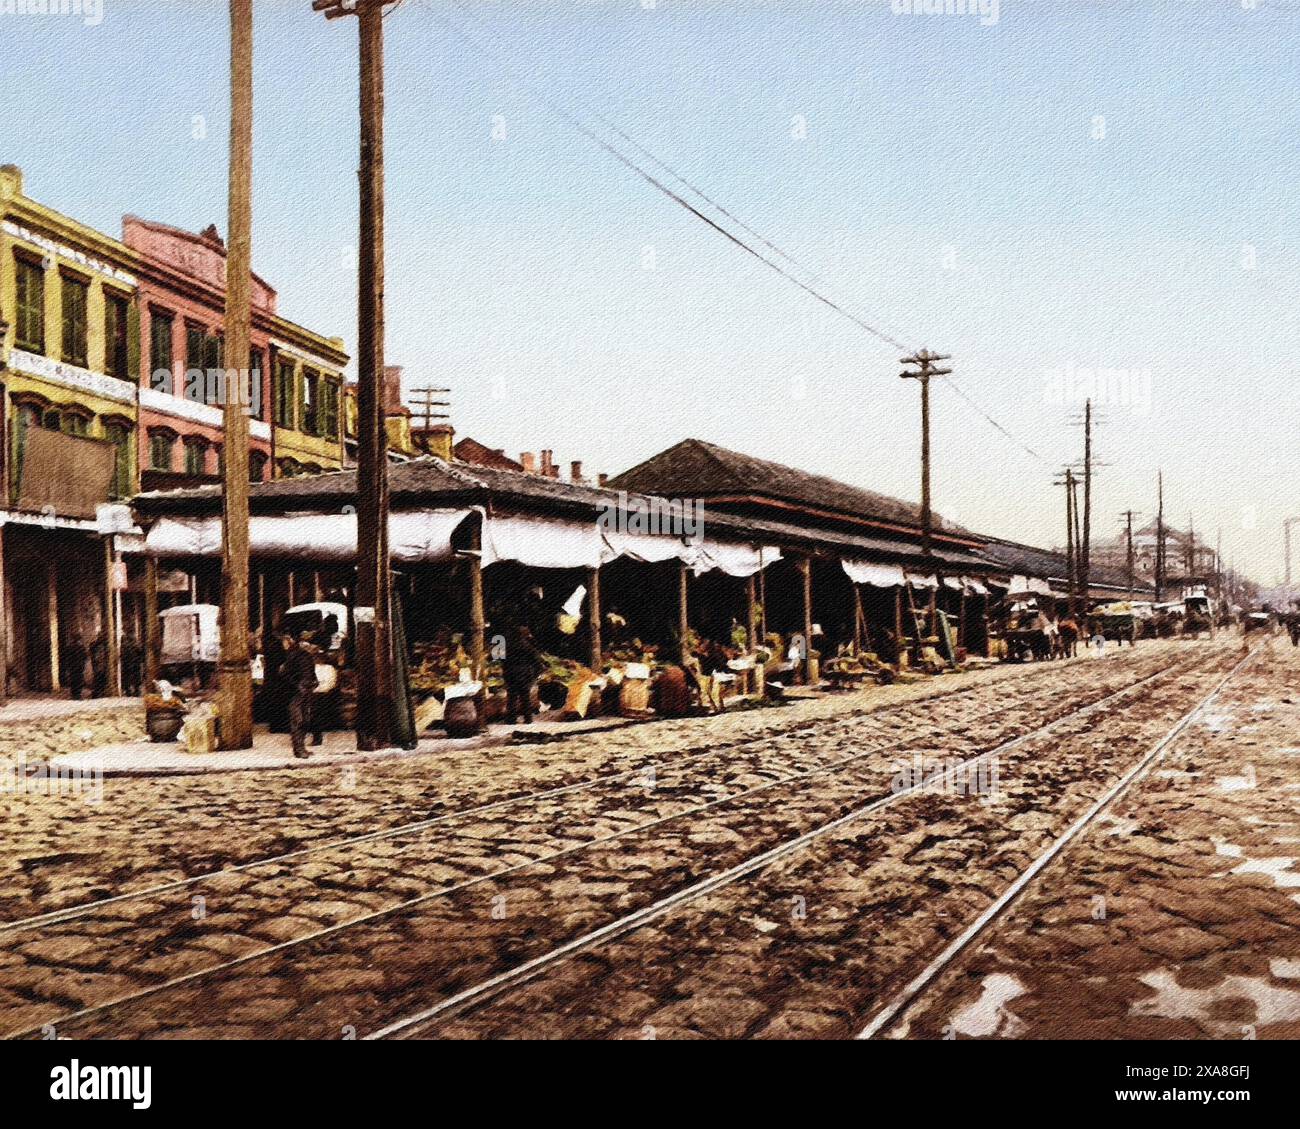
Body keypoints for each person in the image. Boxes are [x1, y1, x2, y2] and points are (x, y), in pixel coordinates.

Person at [279, 631, 322, 758]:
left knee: (305, 719)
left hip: (306, 689)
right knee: (298, 720)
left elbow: (310, 672)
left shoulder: (306, 656)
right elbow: (285, 674)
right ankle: (298, 749)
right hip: (296, 692)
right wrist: (297, 685)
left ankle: (302, 747)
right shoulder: (292, 656)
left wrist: (314, 682)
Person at [502, 625, 543, 725]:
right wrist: (535, 675)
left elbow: (504, 662)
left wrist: (505, 674)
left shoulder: (508, 647)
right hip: (526, 675)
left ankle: (511, 719)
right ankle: (528, 718)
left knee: (512, 698)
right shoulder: (529, 647)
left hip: (511, 674)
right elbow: (537, 663)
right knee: (525, 697)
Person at [62, 634, 87, 700]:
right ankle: (78, 695)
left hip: (72, 666)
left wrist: (67, 666)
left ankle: (74, 695)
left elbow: (66, 657)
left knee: (73, 680)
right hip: (79, 667)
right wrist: (83, 665)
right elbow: (85, 657)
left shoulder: (70, 647)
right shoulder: (82, 647)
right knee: (79, 680)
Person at [89, 631, 109, 698]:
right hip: (99, 664)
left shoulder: (102, 644)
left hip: (101, 664)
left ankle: (99, 692)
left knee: (100, 678)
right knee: (98, 678)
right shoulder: (98, 644)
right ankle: (98, 693)